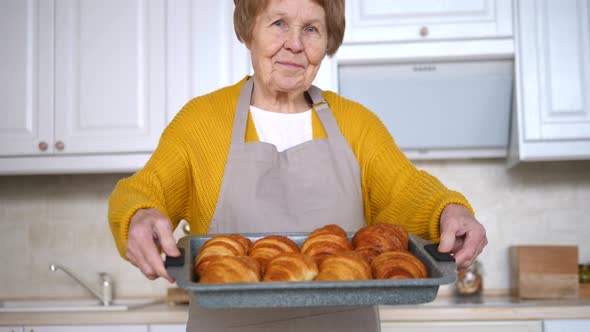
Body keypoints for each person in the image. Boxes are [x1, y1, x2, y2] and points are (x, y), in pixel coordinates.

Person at [108, 0, 487, 331]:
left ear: (327, 41)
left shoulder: (357, 123)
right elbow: (144, 190)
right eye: (278, 23)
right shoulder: (201, 122)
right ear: (248, 30)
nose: (295, 43)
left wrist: (448, 209)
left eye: (311, 28)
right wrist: (139, 215)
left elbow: (406, 192)